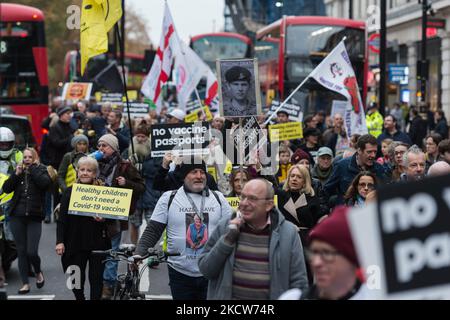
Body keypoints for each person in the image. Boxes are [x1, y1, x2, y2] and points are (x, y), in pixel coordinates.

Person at [136, 158, 232, 300]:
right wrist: (139, 253)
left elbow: (232, 230)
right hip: (180, 273)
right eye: (194, 172)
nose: (199, 176)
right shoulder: (169, 198)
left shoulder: (218, 198)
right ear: (184, 176)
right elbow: (153, 230)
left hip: (212, 271)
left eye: (202, 172)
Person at [198, 179, 309, 299]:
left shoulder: (288, 234)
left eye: (252, 198)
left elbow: (299, 283)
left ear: (269, 205)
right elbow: (206, 270)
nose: (244, 203)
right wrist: (227, 240)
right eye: (243, 197)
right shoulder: (225, 226)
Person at [96, 134, 145, 299]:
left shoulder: (125, 166)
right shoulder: (94, 165)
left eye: (105, 146)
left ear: (114, 148)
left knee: (112, 251)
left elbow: (141, 187)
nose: (101, 149)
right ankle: (100, 282)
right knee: (97, 251)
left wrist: (127, 183)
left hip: (115, 216)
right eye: (99, 145)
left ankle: (108, 285)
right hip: (95, 215)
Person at [56, 156, 110, 300]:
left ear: (95, 174)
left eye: (89, 170)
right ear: (77, 172)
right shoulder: (69, 191)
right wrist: (60, 241)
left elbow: (113, 216)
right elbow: (62, 220)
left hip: (98, 241)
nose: (85, 173)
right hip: (75, 242)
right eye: (82, 170)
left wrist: (104, 218)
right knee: (76, 279)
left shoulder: (104, 190)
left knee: (96, 279)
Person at [2, 148, 51, 294]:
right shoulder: (18, 171)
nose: (27, 159)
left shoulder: (41, 170)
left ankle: (37, 272)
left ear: (35, 158)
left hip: (34, 216)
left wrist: (33, 169)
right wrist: (16, 175)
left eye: (30, 157)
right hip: (17, 216)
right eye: (25, 157)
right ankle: (25, 284)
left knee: (32, 252)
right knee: (21, 251)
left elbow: (46, 185)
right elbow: (6, 189)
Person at [301, 206, 370, 300]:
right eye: (313, 253)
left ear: (351, 258)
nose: (316, 263)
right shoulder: (292, 297)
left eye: (327, 253)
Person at [122, 122, 161, 245]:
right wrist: (129, 166)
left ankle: (150, 251)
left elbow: (159, 170)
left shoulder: (156, 153)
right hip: (134, 196)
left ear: (148, 138)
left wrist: (142, 167)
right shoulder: (127, 151)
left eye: (143, 137)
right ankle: (134, 249)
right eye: (137, 136)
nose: (140, 139)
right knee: (134, 223)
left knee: (152, 225)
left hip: (151, 194)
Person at [324, 134, 390, 205]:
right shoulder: (342, 166)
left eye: (375, 152)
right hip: (346, 212)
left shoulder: (379, 169)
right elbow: (326, 191)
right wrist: (324, 212)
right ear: (359, 150)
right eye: (369, 152)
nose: (373, 155)